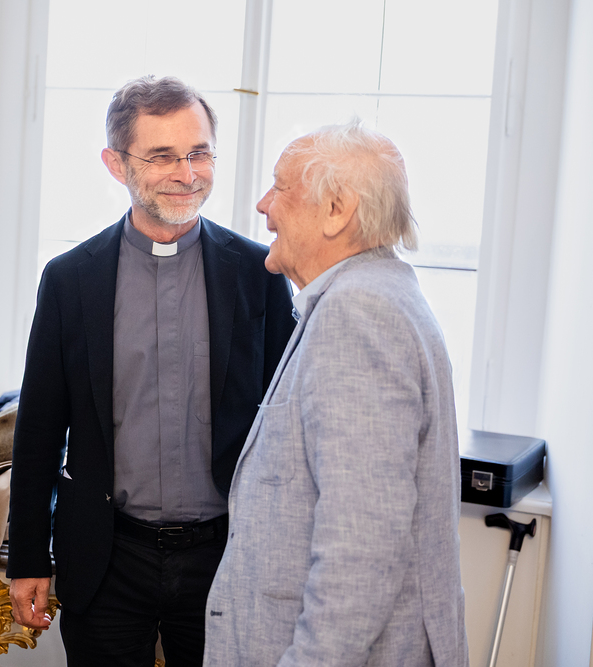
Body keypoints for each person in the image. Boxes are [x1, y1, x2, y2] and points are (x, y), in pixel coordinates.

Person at [6, 75, 296, 666]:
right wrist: (29, 558)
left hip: (226, 556)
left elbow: (287, 426)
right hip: (108, 557)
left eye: (199, 153)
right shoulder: (70, 280)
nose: (187, 174)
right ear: (116, 164)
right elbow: (39, 432)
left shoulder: (258, 272)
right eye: (162, 156)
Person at [204, 120, 468, 666]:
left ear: (336, 210)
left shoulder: (358, 313)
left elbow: (361, 548)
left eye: (280, 187)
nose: (263, 206)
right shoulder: (378, 293)